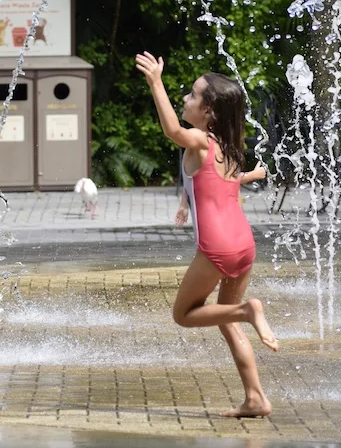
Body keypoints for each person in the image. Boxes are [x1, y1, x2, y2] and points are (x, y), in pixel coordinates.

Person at [135, 51, 278, 418]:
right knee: (225, 318)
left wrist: (155, 81)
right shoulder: (228, 148)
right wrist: (253, 176)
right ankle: (256, 398)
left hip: (217, 248)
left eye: (192, 95)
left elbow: (172, 131)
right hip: (244, 245)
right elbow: (224, 183)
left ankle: (250, 310)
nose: (185, 98)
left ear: (209, 109)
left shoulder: (199, 141)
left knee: (184, 314)